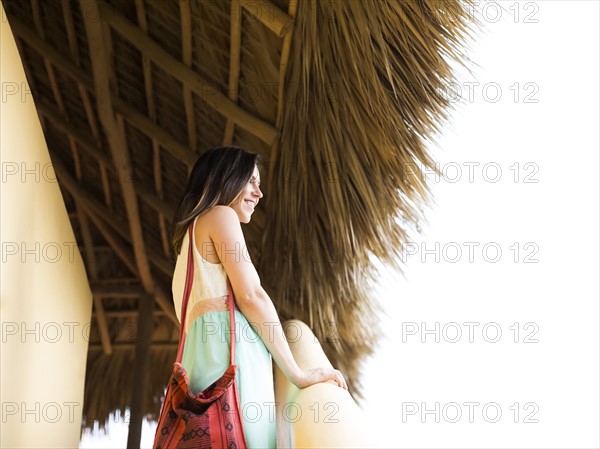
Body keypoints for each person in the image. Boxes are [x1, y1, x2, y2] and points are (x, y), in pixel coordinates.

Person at [170, 146, 348, 448]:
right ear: (227, 179)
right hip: (233, 377)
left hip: (202, 381)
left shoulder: (183, 257)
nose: (259, 193)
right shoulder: (220, 215)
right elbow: (252, 295)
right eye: (251, 181)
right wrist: (297, 373)